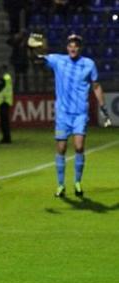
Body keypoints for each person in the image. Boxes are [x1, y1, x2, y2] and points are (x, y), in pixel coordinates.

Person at [30, 34, 112, 197]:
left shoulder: (89, 64)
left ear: (80, 48)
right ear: (67, 47)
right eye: (70, 45)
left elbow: (96, 86)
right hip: (62, 114)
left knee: (79, 146)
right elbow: (37, 60)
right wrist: (33, 48)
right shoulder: (57, 60)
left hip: (80, 113)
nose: (73, 48)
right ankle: (60, 185)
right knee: (61, 148)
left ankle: (77, 182)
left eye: (76, 45)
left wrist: (103, 108)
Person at [0, 65, 13, 144]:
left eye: (1, 70)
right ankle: (6, 137)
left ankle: (6, 138)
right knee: (4, 121)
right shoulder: (6, 78)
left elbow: (2, 86)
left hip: (4, 101)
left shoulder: (7, 77)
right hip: (4, 101)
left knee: (4, 121)